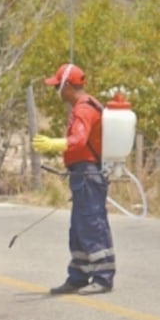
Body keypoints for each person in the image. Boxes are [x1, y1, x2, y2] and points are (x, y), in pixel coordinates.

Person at [32, 63, 115, 295]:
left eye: (57, 86)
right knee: (79, 228)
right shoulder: (83, 106)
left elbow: (79, 140)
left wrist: (54, 143)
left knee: (92, 224)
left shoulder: (83, 109)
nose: (56, 90)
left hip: (88, 174)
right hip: (82, 174)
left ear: (67, 86)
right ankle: (78, 276)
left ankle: (103, 277)